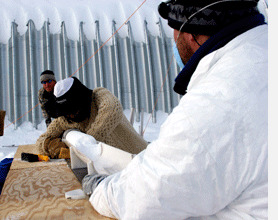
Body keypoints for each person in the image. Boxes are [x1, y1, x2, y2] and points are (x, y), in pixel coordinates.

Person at [82, 0, 268, 219]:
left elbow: (145, 199)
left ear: (190, 33)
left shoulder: (215, 101)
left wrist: (101, 189)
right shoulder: (263, 50)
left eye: (173, 30)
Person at [35, 77, 148, 159]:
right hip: (114, 169)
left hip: (140, 156)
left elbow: (112, 109)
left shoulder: (98, 96)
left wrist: (85, 144)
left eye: (73, 109)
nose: (71, 115)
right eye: (67, 111)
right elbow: (41, 140)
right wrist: (51, 146)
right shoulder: (64, 120)